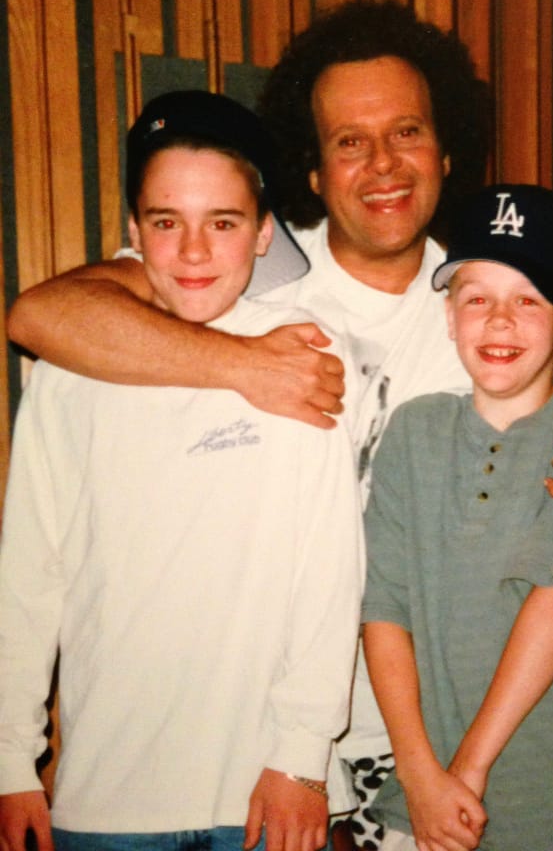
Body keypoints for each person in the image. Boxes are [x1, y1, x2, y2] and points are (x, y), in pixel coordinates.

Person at [5, 0, 553, 848]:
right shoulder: (248, 278)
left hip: (458, 744)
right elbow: (43, 317)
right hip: (277, 757)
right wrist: (243, 364)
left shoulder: (493, 307)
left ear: (444, 150)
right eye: (348, 141)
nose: (382, 164)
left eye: (406, 132)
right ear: (313, 172)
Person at [0, 91, 364, 851]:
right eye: (167, 222)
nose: (194, 252)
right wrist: (10, 760)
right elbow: (32, 571)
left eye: (223, 223)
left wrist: (301, 757)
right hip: (103, 800)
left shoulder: (305, 356)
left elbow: (328, 571)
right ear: (134, 233)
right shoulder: (71, 367)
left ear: (264, 233)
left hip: (260, 798)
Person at [362, 183, 553, 851]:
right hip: (437, 805)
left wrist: (467, 772)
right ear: (448, 317)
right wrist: (420, 777)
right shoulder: (414, 431)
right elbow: (383, 614)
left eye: (528, 299)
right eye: (476, 297)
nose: (498, 320)